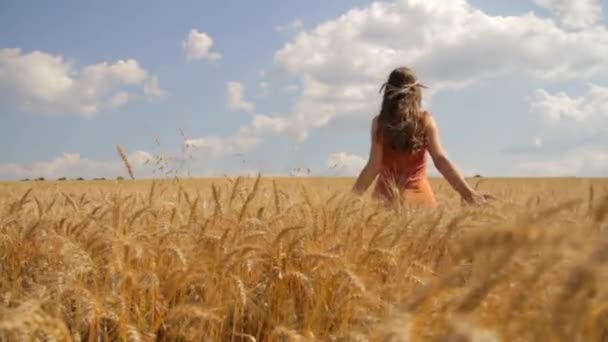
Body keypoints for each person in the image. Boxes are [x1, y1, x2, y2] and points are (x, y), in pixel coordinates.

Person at [352, 67, 495, 208]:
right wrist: (469, 195)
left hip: (385, 202)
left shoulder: (379, 123)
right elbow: (441, 160)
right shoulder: (425, 120)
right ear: (416, 92)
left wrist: (350, 200)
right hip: (421, 201)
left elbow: (374, 165)